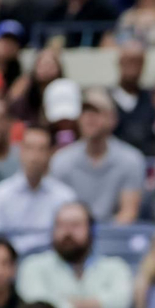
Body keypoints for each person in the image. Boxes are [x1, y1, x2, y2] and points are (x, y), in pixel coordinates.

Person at [15, 201, 133, 308]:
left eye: (75, 225)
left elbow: (120, 306)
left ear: (91, 230)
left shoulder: (116, 267)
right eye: (61, 225)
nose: (67, 232)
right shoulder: (33, 266)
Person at [50, 88, 147, 224]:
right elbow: (59, 211)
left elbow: (128, 213)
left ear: (113, 119)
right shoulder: (61, 161)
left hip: (114, 238)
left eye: (96, 111)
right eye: (84, 111)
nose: (89, 117)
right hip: (73, 237)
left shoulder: (131, 160)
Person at [0, 125, 77, 255]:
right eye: (29, 148)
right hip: (10, 266)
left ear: (50, 153)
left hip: (53, 265)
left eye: (41, 149)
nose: (34, 156)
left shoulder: (65, 197)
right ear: (20, 151)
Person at [110, 39, 155, 158]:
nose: (133, 67)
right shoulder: (106, 101)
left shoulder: (153, 100)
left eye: (138, 62)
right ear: (119, 62)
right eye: (129, 61)